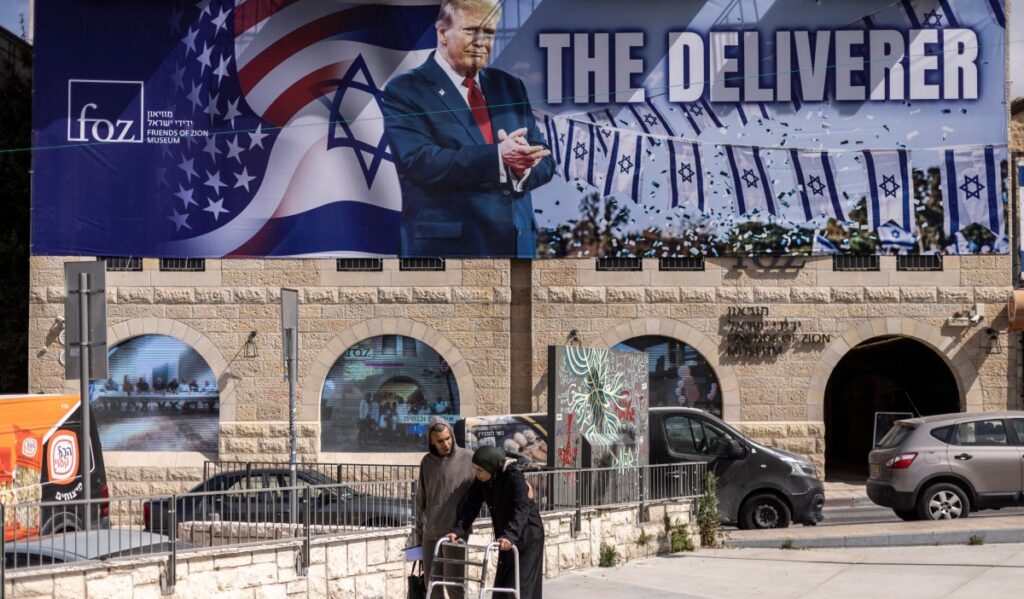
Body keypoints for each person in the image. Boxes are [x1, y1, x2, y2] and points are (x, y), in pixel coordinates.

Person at [381, 0, 555, 258]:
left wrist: (524, 168)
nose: (481, 41)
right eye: (471, 30)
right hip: (447, 253)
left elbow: (545, 158)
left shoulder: (510, 86)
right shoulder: (406, 90)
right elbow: (420, 162)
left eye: (489, 33)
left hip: (517, 250)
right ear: (442, 34)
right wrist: (498, 157)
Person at [448, 446, 544, 599]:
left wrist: (510, 535)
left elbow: (521, 507)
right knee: (502, 588)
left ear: (491, 467)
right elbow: (471, 506)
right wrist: (458, 530)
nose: (476, 473)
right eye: (475, 469)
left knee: (521, 585)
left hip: (527, 535)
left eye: (480, 470)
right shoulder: (483, 480)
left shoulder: (514, 476)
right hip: (506, 535)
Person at [416, 419, 475, 599]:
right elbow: (421, 498)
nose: (446, 444)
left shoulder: (468, 458)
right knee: (431, 584)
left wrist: (520, 478)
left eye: (448, 438)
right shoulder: (427, 462)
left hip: (454, 533)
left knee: (455, 584)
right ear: (431, 441)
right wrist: (419, 532)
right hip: (430, 532)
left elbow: (495, 463)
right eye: (440, 441)